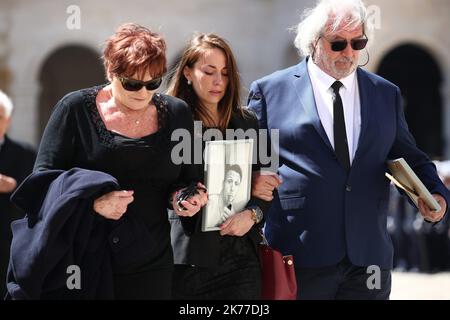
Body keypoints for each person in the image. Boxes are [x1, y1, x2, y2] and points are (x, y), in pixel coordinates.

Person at [248, 0, 450, 299]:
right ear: (313, 43)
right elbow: (250, 159)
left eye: (358, 42)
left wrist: (435, 194)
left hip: (368, 256)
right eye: (338, 43)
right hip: (299, 251)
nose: (350, 52)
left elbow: (409, 156)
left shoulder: (385, 93)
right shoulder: (269, 91)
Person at [27, 23, 206, 299]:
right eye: (132, 83)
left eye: (153, 83)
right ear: (111, 72)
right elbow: (43, 183)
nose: (143, 92)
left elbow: (190, 178)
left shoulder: (178, 113)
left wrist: (185, 198)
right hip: (85, 261)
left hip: (151, 263)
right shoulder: (73, 109)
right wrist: (93, 204)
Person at [167, 33, 269, 299]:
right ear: (187, 72)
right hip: (188, 259)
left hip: (242, 258)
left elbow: (265, 186)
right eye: (209, 71)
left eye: (225, 73)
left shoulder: (247, 122)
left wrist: (253, 215)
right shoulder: (169, 121)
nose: (218, 81)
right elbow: (158, 184)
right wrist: (180, 198)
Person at [0, 90, 36, 297]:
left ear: (8, 120)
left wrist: (14, 186)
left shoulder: (26, 154)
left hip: (9, 244)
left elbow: (36, 195)